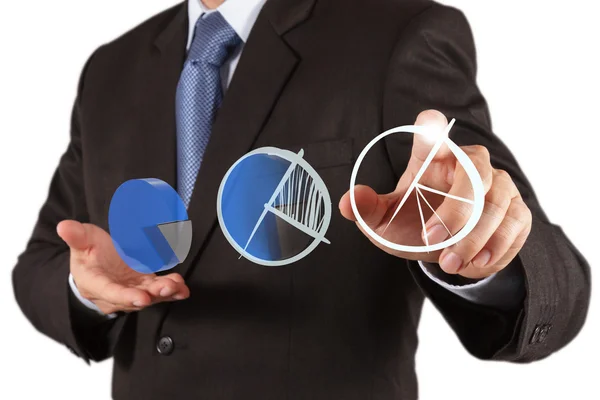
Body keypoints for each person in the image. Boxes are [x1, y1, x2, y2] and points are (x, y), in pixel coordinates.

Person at [12, 0, 590, 399]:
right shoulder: (111, 69)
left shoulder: (396, 34)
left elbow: (557, 285)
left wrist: (483, 245)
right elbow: (39, 262)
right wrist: (85, 289)